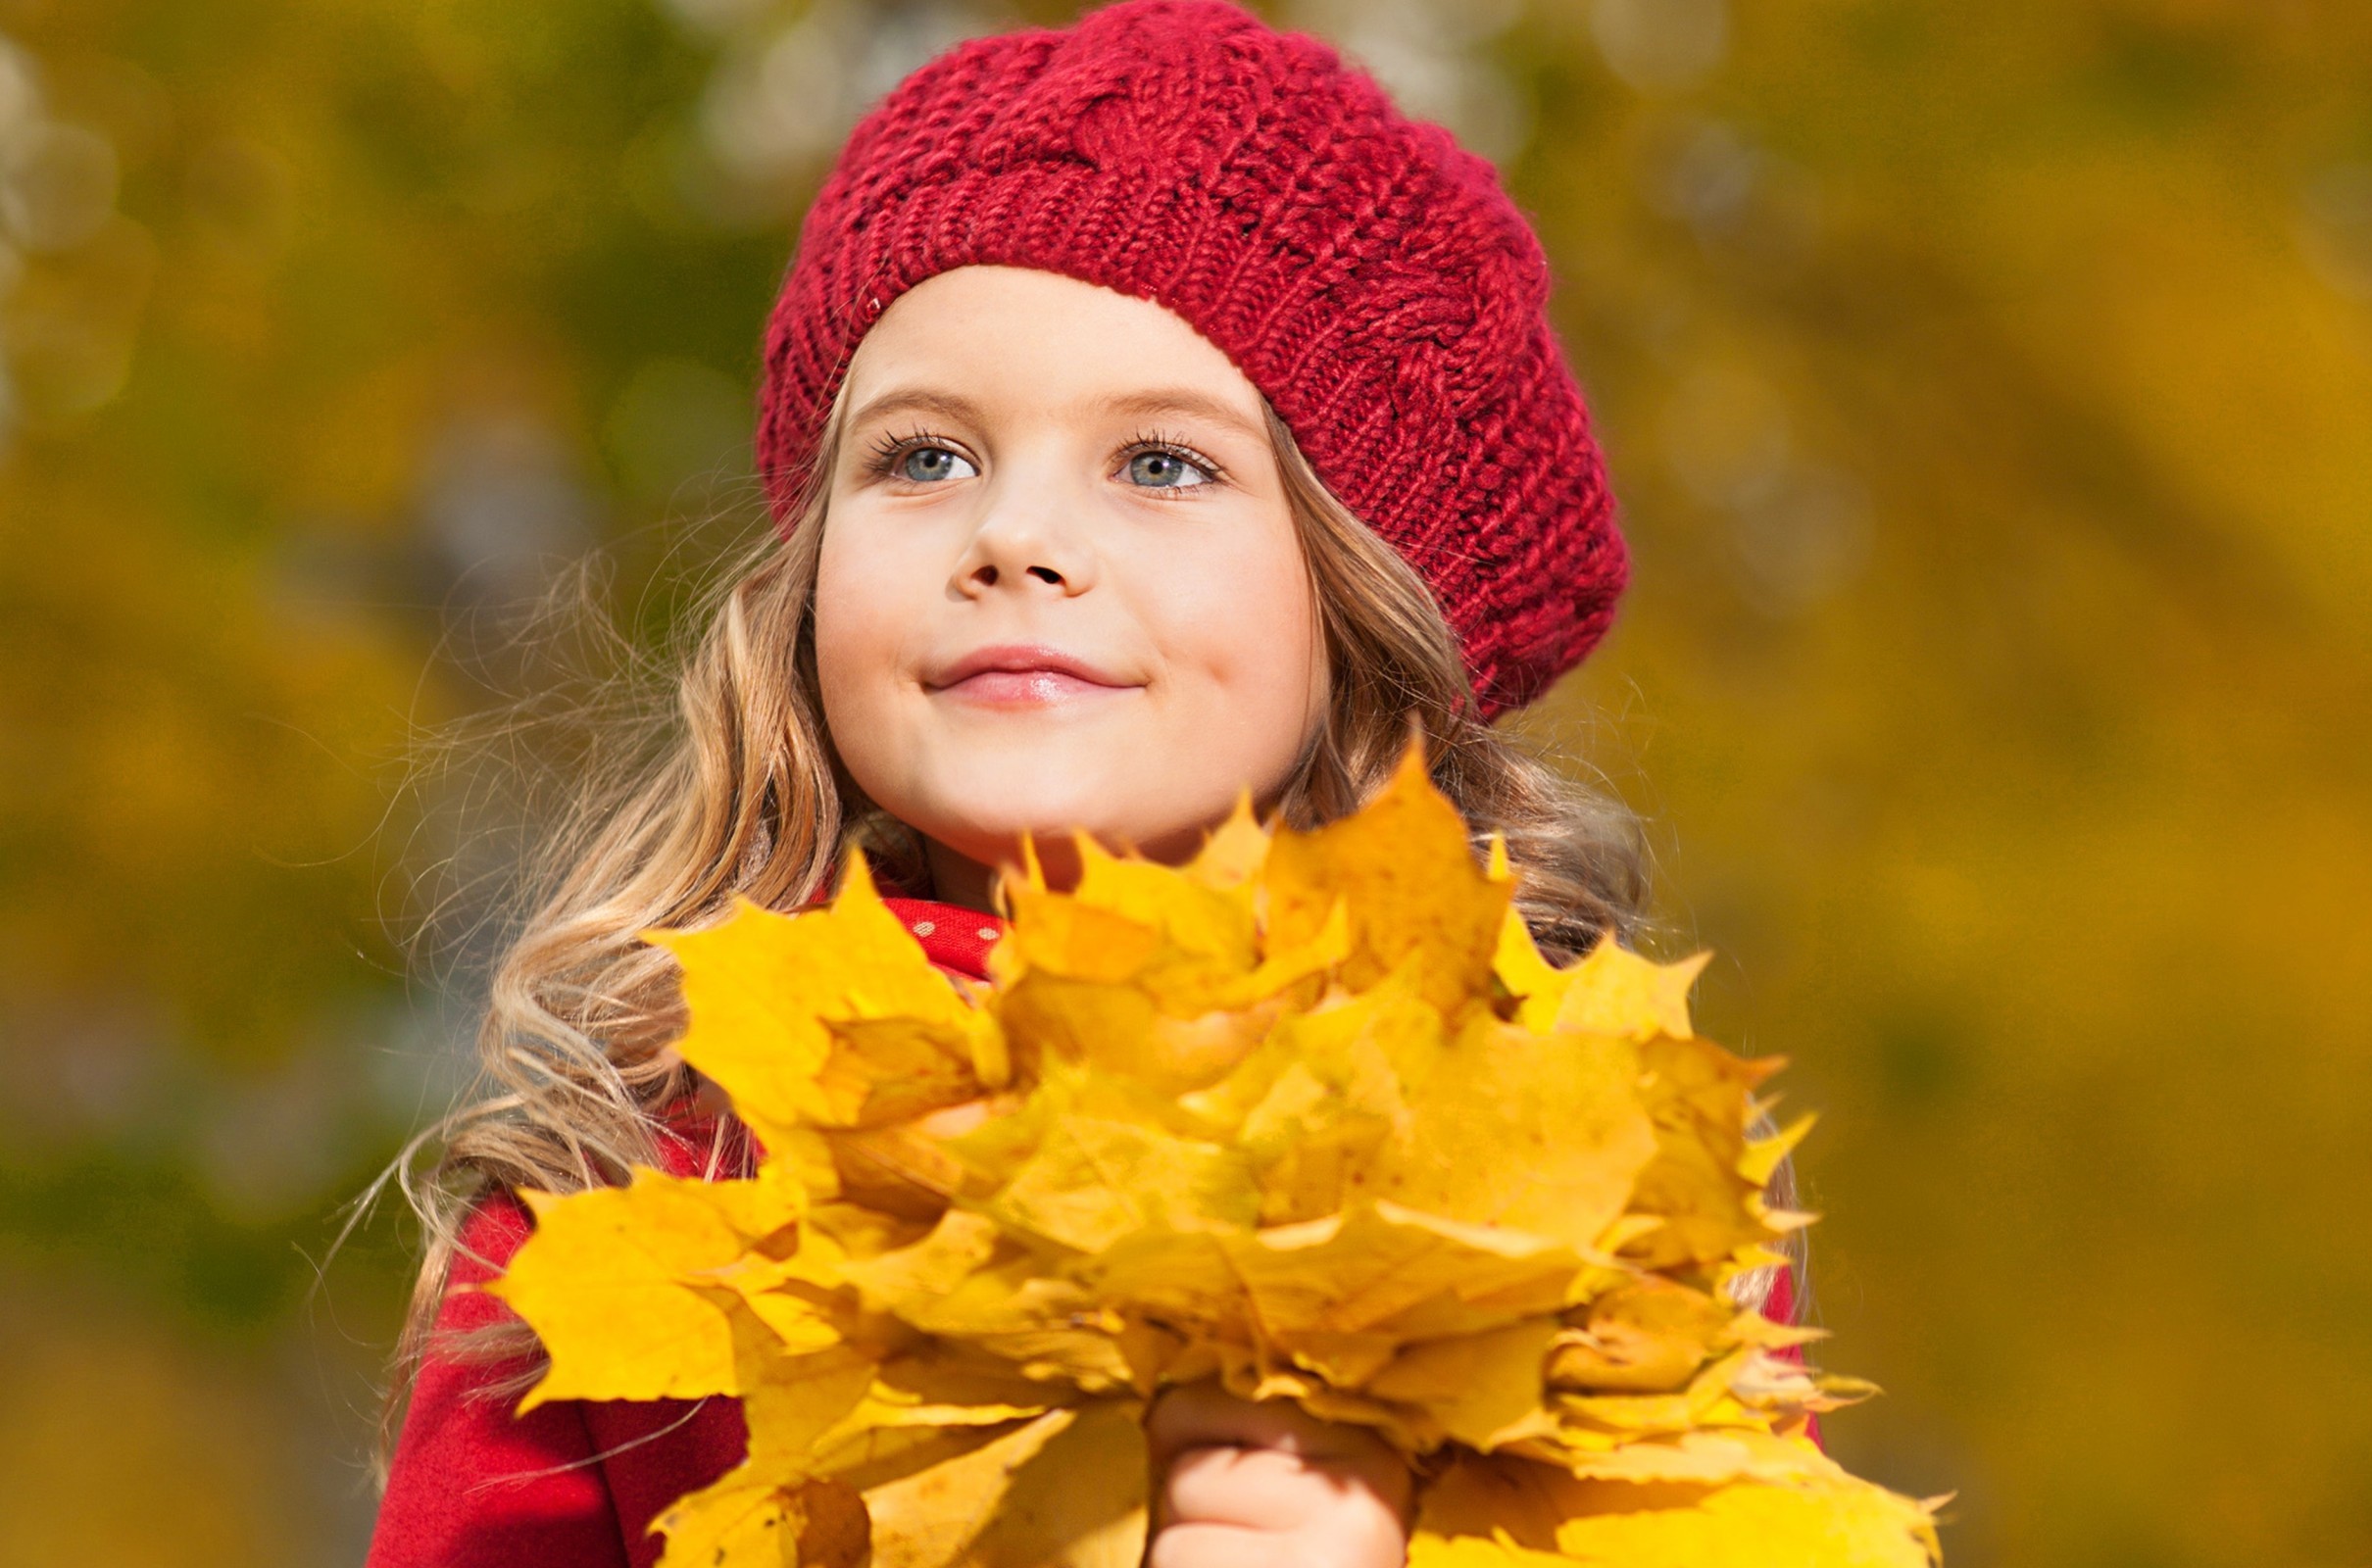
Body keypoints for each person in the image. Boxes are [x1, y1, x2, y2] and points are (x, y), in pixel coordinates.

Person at [367, 2, 1804, 1564]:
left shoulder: (1568, 1171)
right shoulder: (636, 1184)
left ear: (1361, 609)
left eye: (1162, 465)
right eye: (924, 458)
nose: (1012, 537)